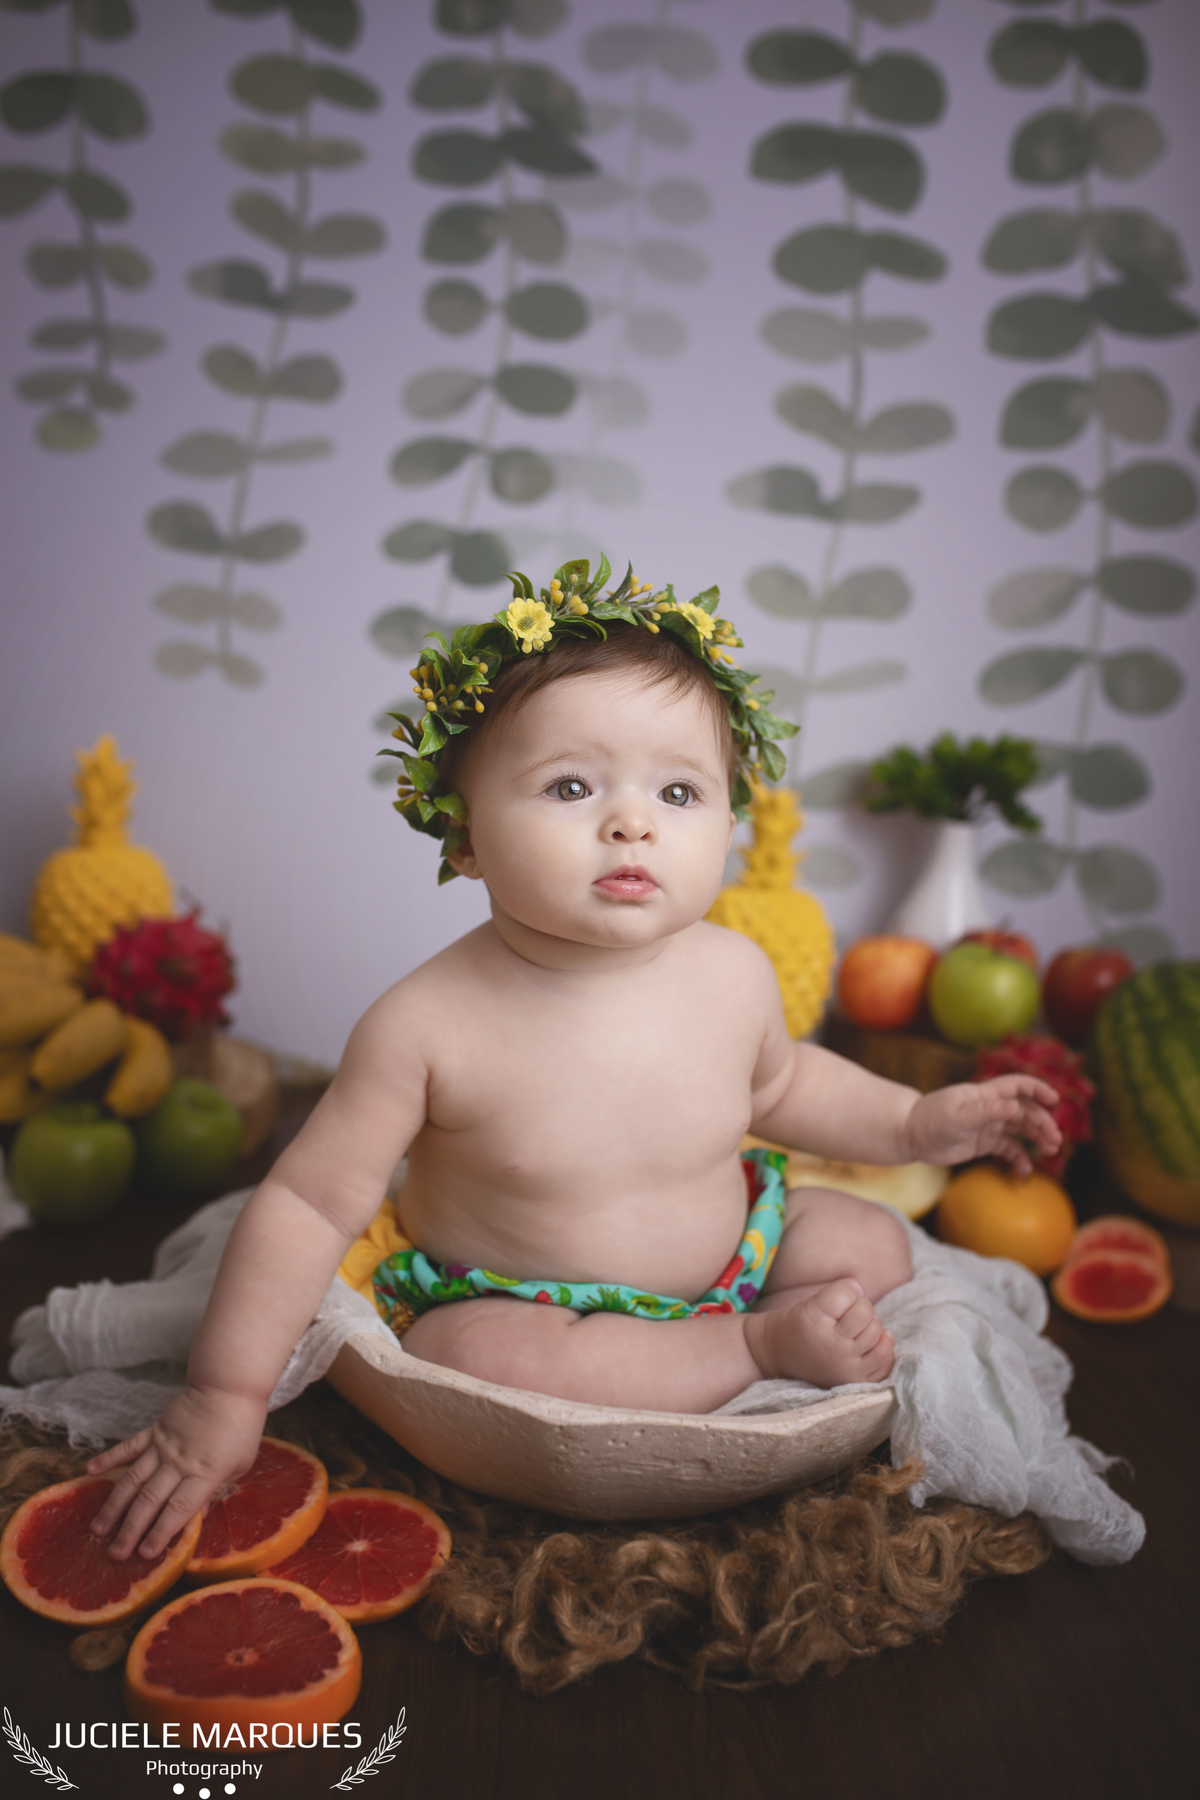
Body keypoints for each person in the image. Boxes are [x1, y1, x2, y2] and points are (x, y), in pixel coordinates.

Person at [89, 560, 1060, 1562]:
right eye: (570, 786)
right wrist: (226, 1392)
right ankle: (755, 1346)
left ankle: (751, 1320)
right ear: (463, 836)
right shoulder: (425, 1023)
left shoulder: (733, 970)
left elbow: (784, 1086)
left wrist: (916, 1123)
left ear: (728, 823)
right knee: (468, 1357)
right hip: (525, 1301)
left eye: (678, 790)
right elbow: (306, 1204)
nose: (633, 822)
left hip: (736, 1249)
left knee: (874, 1245)